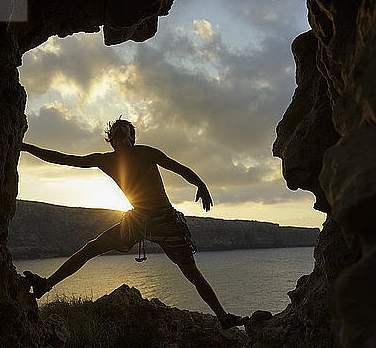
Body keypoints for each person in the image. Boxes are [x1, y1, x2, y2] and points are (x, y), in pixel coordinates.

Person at [20, 118, 249, 329]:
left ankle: (223, 317)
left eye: (126, 131)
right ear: (111, 140)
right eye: (117, 131)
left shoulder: (146, 153)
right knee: (91, 248)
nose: (122, 134)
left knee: (192, 274)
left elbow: (178, 168)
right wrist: (28, 148)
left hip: (165, 221)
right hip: (137, 220)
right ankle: (45, 285)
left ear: (132, 137)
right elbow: (63, 159)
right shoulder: (104, 160)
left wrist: (200, 183)